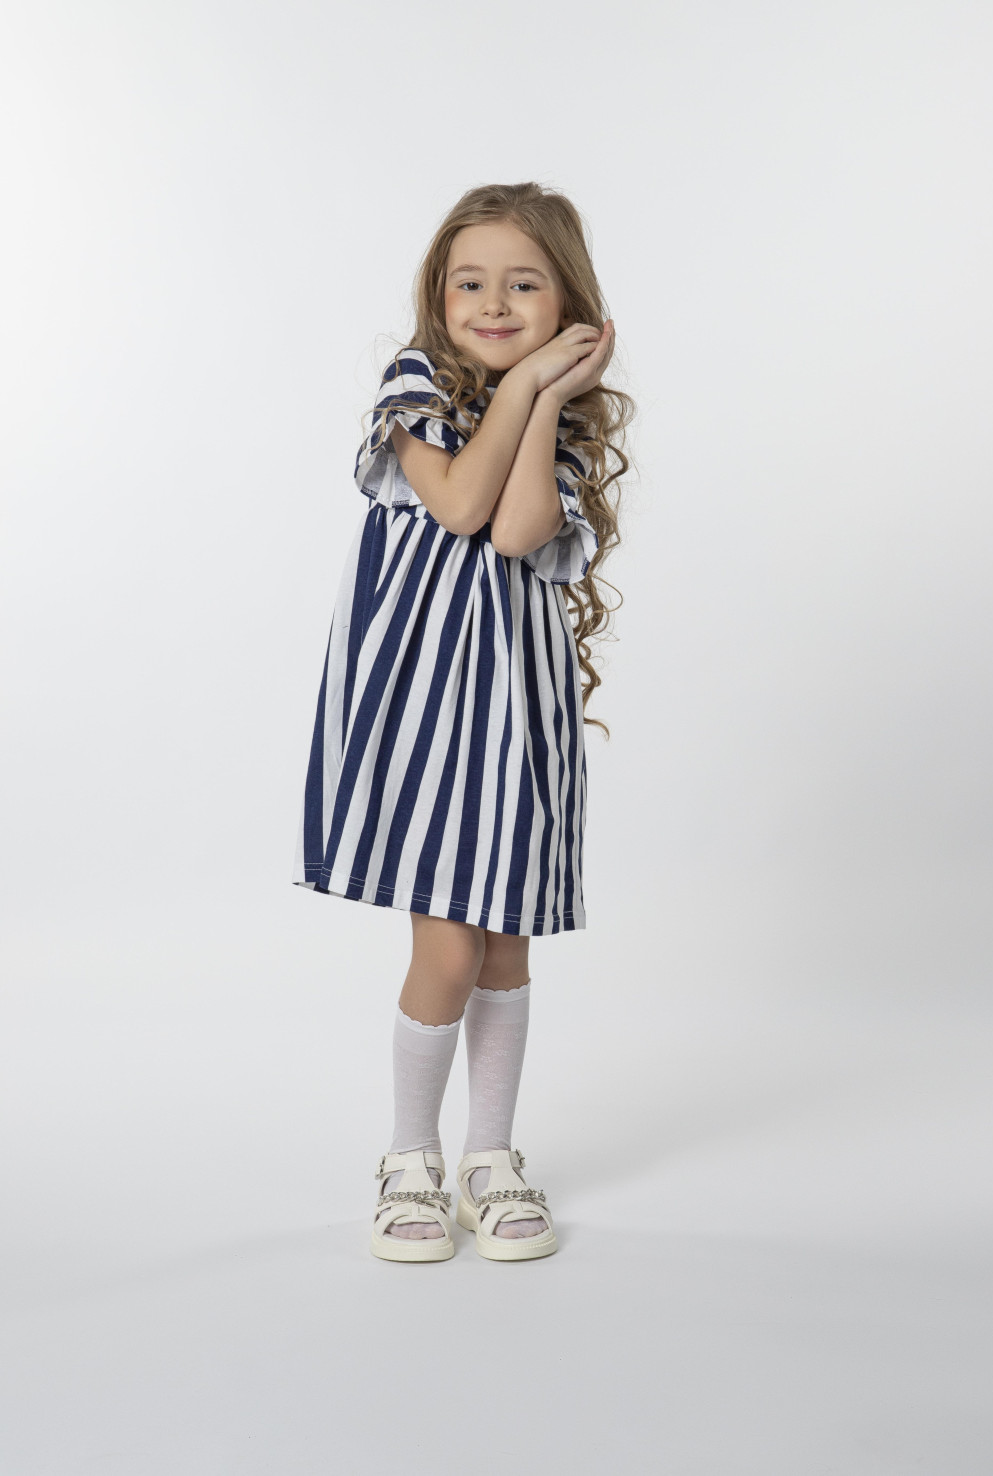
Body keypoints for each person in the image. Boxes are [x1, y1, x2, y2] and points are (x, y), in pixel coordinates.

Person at [292, 181, 632, 1262]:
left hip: (513, 713)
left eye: (523, 285)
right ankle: (409, 1158)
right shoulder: (416, 387)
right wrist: (524, 381)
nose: (492, 304)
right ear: (436, 297)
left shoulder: (563, 424)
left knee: (503, 944)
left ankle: (489, 1156)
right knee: (446, 940)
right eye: (469, 282)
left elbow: (520, 530)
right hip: (419, 710)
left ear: (567, 302)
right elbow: (458, 505)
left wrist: (539, 400)